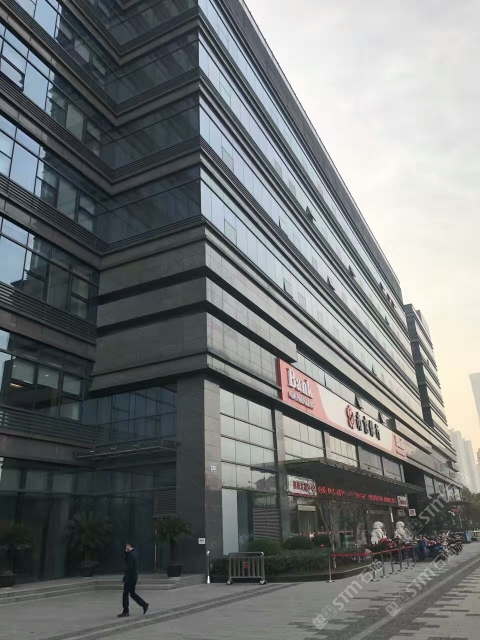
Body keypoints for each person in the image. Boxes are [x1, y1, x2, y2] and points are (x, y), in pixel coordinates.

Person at [117, 543, 149, 618]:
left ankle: (126, 611)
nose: (125, 548)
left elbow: (129, 566)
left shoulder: (131, 555)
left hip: (130, 577)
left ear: (129, 546)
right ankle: (144, 604)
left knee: (125, 594)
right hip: (134, 576)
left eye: (126, 546)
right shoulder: (135, 552)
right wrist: (126, 553)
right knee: (132, 593)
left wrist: (126, 577)